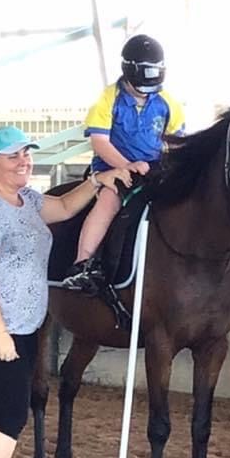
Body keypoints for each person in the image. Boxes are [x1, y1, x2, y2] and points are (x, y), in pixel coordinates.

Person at [0, 124, 134, 458]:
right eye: (12, 156)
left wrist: (98, 181)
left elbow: (65, 208)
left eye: (26, 154)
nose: (23, 162)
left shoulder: (25, 200)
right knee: (10, 416)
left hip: (20, 326)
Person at [62, 34, 185, 293]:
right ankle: (82, 263)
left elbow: (176, 142)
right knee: (109, 201)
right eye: (139, 87)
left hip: (153, 171)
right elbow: (99, 142)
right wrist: (125, 166)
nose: (143, 93)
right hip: (112, 169)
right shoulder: (109, 99)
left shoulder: (168, 103)